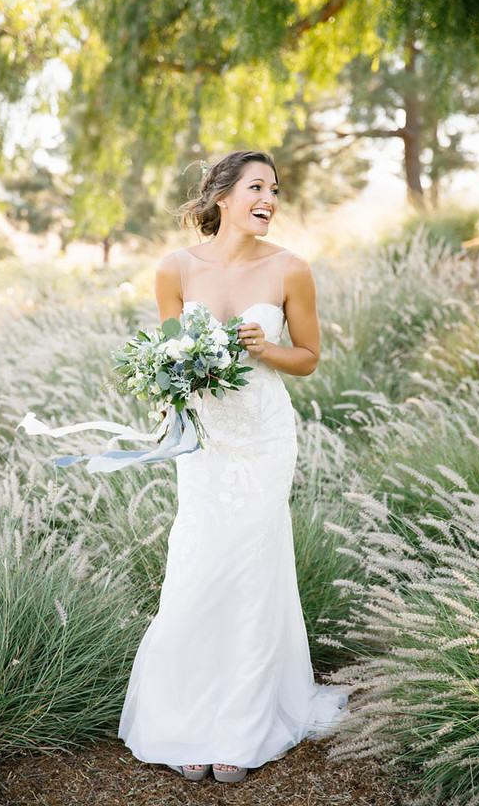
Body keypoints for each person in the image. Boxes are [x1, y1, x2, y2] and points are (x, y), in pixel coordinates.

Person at [117, 150, 348, 784]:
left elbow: (307, 358)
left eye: (274, 189)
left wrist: (264, 348)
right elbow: (166, 359)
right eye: (256, 187)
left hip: (265, 438)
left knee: (251, 568)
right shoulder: (175, 268)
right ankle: (187, 718)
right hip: (206, 440)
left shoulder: (290, 270)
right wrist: (172, 395)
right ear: (222, 196)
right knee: (197, 565)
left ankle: (243, 723)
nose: (269, 198)